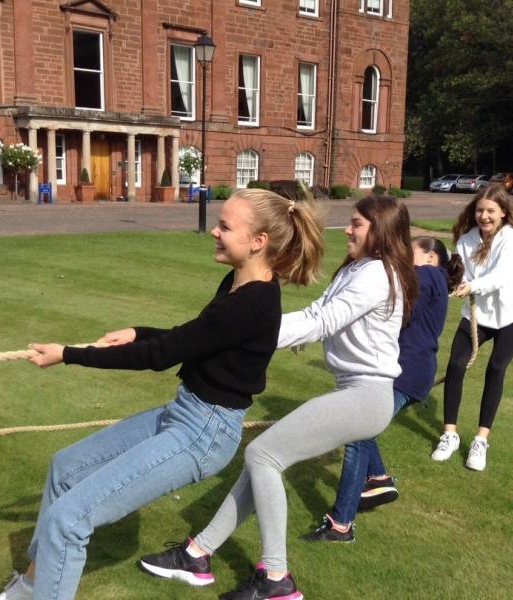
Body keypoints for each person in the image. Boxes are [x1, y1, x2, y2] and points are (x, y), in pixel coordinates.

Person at [0, 188, 325, 600]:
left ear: (259, 242)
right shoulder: (239, 285)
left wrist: (70, 354)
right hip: (186, 414)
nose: (214, 232)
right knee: (66, 468)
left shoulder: (250, 304)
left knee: (69, 520)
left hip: (203, 434)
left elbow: (162, 356)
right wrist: (138, 332)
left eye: (225, 226)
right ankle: (33, 586)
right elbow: (193, 339)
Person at [139, 195, 418, 600]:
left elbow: (323, 321)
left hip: (367, 395)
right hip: (357, 392)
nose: (349, 230)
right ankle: (197, 554)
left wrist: (249, 331)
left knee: (262, 455)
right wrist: (250, 330)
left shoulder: (377, 274)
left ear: (381, 231)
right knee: (264, 460)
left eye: (357, 224)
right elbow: (317, 313)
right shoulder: (359, 269)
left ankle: (276, 580)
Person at [303, 236, 464, 542]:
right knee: (361, 428)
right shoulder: (435, 279)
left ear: (430, 257)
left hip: (405, 371)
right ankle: (378, 478)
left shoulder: (428, 275)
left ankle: (342, 524)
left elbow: (398, 308)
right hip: (409, 371)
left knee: (356, 432)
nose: (404, 254)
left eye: (411, 250)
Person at [431, 184, 513, 471]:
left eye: (490, 211)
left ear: (503, 212)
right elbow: (456, 270)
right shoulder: (466, 240)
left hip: (511, 318)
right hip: (476, 316)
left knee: (496, 369)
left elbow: (504, 274)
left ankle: (480, 440)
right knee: (455, 366)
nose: (484, 216)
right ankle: (449, 434)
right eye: (479, 210)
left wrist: (473, 285)